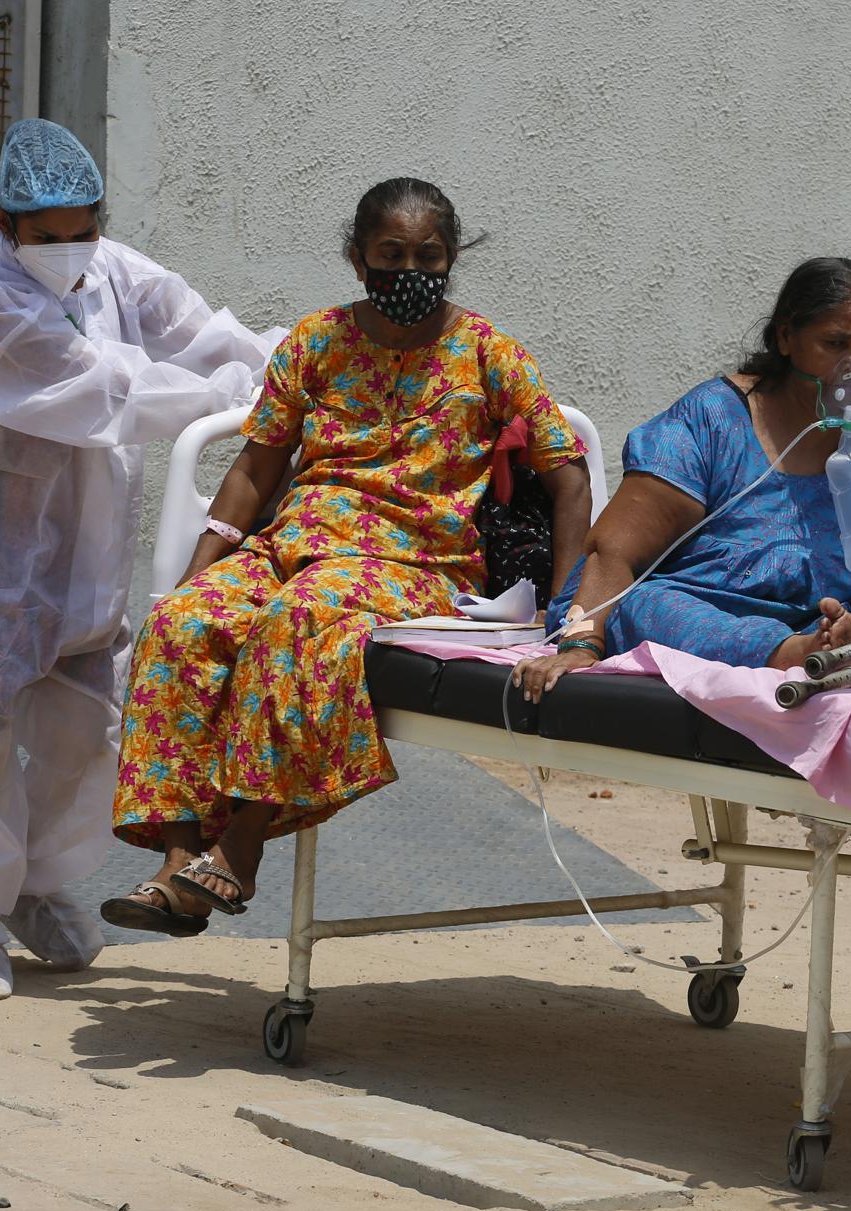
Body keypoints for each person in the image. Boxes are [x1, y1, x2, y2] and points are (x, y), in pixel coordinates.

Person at [101, 178, 591, 936]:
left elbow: (570, 478)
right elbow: (254, 470)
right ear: (358, 259)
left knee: (300, 619)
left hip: (415, 562)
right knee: (183, 624)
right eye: (390, 254)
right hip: (295, 543)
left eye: (428, 256)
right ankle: (176, 863)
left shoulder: (491, 354)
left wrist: (567, 614)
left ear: (451, 259)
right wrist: (200, 569)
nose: (410, 271)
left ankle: (238, 848)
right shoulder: (317, 343)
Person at [0, 119, 275, 1000]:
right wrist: (229, 396)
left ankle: (29, 885)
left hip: (84, 543)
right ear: (6, 221)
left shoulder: (111, 268)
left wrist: (281, 364)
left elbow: (196, 329)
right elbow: (109, 390)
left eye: (82, 231)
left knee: (99, 735)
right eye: (48, 236)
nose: (68, 251)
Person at [509, 257, 851, 703]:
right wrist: (582, 643)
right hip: (714, 618)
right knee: (648, 603)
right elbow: (613, 552)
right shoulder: (710, 424)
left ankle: (846, 650)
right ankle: (792, 654)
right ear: (785, 338)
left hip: (839, 624)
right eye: (835, 344)